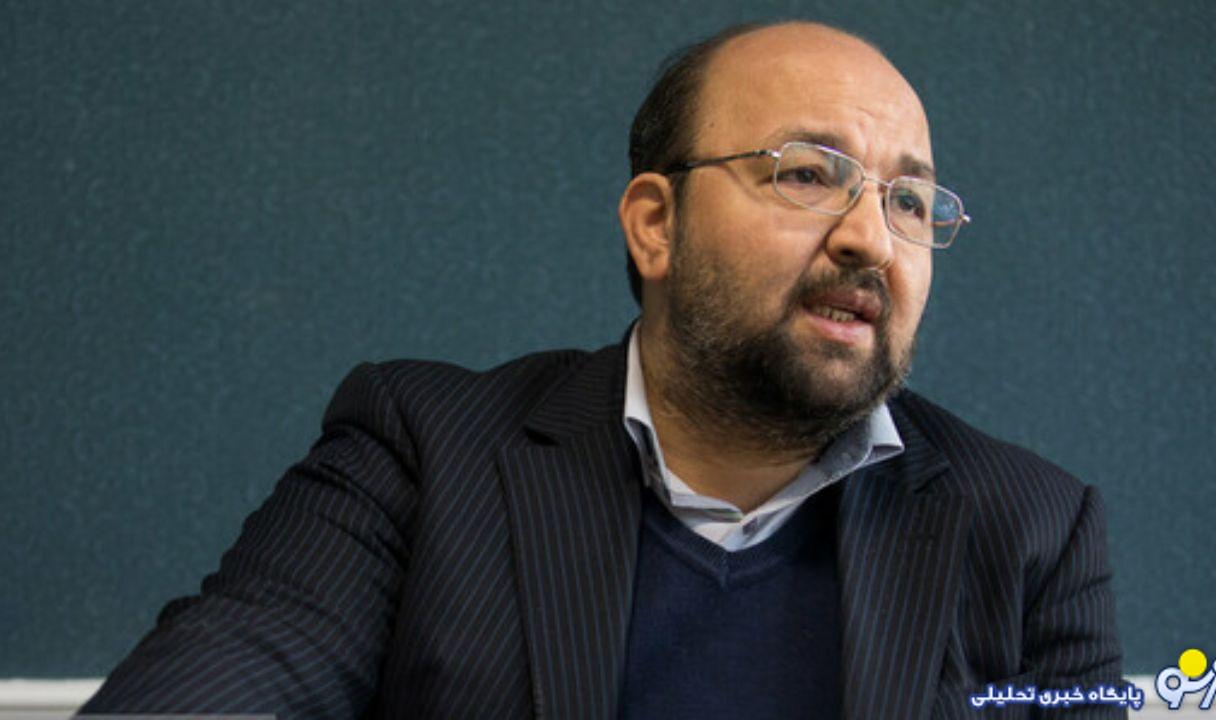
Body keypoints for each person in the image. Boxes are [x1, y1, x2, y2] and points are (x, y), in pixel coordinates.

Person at [82, 20, 1123, 720]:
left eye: (909, 201)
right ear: (655, 225)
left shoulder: (1030, 527)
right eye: (809, 174)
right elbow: (220, 682)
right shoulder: (424, 453)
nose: (870, 238)